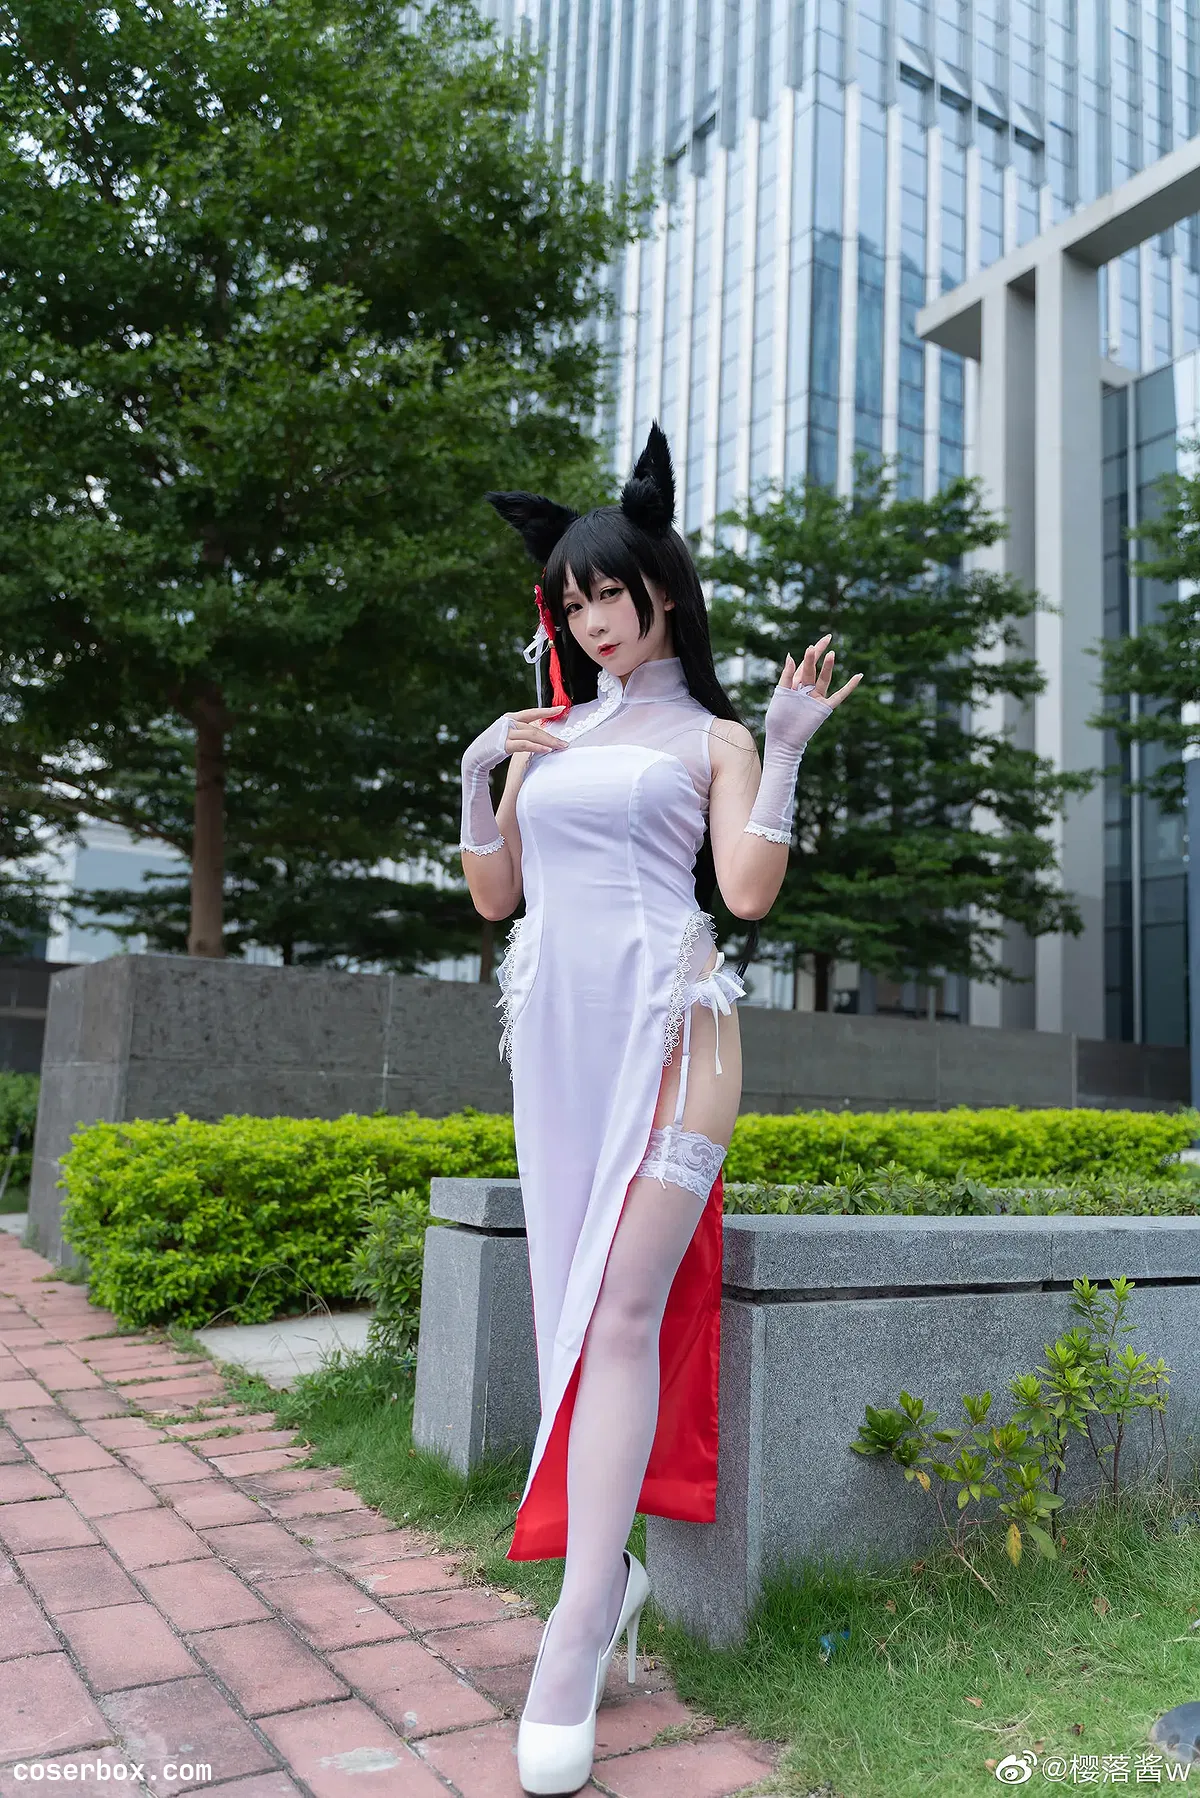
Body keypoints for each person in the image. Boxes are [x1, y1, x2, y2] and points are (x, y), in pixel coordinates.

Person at [459, 422, 862, 1795]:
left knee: (624, 1307)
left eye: (606, 596)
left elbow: (745, 893)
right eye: (569, 603)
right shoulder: (549, 733)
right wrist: (476, 773)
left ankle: (578, 1625)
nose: (588, 621)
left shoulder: (714, 737)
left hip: (681, 1028)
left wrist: (788, 749)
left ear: (661, 593)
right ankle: (610, 1576)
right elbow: (497, 895)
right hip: (557, 1044)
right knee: (571, 1308)